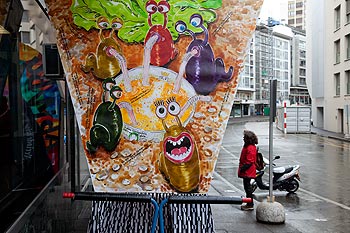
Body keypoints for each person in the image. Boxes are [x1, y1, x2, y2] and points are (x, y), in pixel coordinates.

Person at [238, 130, 258, 211]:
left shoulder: (250, 147)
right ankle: (249, 203)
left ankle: (250, 203)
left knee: (247, 187)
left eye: (244, 137)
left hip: (248, 171)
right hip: (247, 170)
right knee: (247, 187)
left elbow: (249, 161)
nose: (243, 138)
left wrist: (242, 169)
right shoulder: (248, 146)